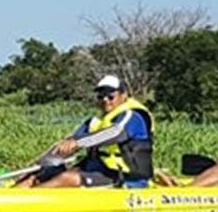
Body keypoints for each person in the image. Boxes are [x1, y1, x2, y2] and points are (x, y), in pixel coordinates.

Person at [16, 75, 154, 189]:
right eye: (101, 97)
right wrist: (40, 164)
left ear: (123, 95)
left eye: (110, 96)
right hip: (97, 170)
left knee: (67, 178)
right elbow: (68, 144)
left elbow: (116, 133)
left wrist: (78, 142)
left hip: (126, 177)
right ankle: (11, 194)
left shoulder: (134, 116)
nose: (105, 100)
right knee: (39, 175)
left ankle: (24, 203)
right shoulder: (94, 122)